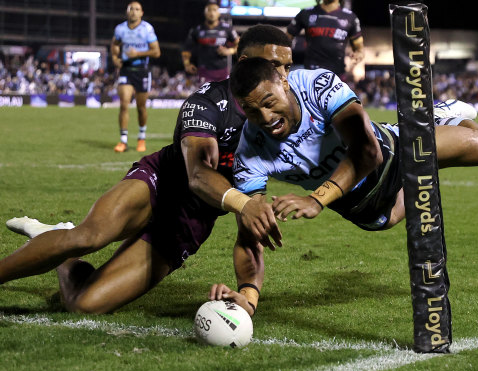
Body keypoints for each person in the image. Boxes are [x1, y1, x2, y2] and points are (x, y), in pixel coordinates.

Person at [0, 26, 295, 317]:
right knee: (90, 236)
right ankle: (64, 242)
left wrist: (248, 296)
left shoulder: (280, 121)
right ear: (244, 63)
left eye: (288, 67)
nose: (283, 75)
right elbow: (198, 175)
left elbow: (250, 233)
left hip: (189, 222)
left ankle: (63, 252)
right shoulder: (207, 102)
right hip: (159, 184)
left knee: (84, 304)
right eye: (274, 65)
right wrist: (245, 204)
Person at [228, 57, 478, 245]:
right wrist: (247, 295)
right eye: (252, 111)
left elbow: (368, 153)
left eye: (269, 102)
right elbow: (249, 226)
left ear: (284, 83)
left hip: (390, 155)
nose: (265, 117)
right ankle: (428, 149)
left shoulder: (316, 86)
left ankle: (438, 117)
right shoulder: (249, 152)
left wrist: (316, 200)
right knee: (386, 221)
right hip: (361, 206)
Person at [111, 1, 161, 153]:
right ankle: (123, 141)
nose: (133, 11)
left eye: (137, 9)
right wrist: (114, 57)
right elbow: (115, 44)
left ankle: (141, 137)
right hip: (126, 70)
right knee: (124, 104)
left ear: (141, 13)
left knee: (141, 108)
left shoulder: (147, 29)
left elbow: (156, 52)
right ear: (127, 12)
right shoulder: (120, 29)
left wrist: (137, 54)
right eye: (131, 9)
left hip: (142, 71)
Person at [286, 0, 364, 79]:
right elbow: (286, 39)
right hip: (310, 73)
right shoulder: (306, 13)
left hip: (337, 74)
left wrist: (358, 54)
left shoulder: (350, 17)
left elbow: (359, 49)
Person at [181, 0, 239, 84]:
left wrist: (229, 51)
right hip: (204, 71)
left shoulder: (227, 28)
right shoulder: (197, 30)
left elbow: (240, 44)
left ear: (219, 13)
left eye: (214, 10)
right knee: (206, 97)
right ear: (204, 12)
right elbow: (187, 48)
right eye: (209, 10)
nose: (212, 13)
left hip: (222, 71)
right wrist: (186, 64)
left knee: (223, 96)